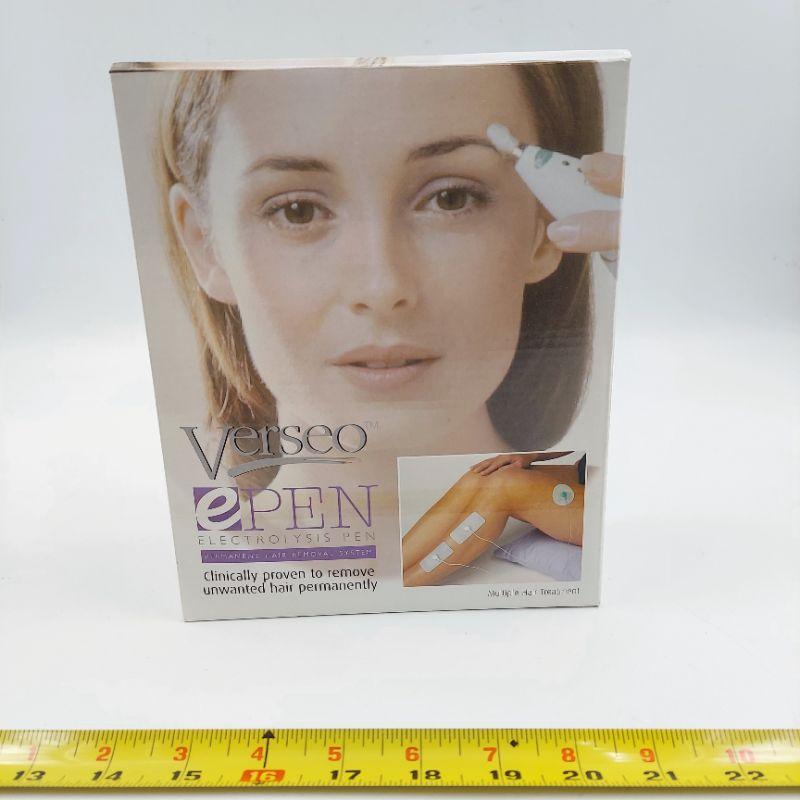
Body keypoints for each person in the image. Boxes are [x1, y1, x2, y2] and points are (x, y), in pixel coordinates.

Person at [157, 61, 620, 541]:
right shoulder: (177, 560)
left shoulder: (619, 529)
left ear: (545, 227)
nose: (382, 287)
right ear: (205, 244)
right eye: (298, 211)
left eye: (451, 199)